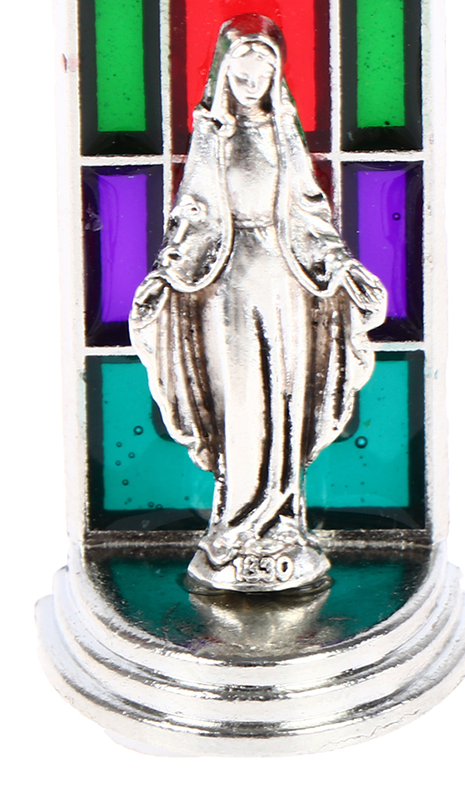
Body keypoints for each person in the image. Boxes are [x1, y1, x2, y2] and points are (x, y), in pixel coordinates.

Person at [130, 14, 387, 590]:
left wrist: (338, 262)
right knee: (243, 399)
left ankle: (283, 522)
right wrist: (170, 269)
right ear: (223, 72)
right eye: (240, 71)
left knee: (286, 397)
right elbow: (193, 211)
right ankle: (235, 522)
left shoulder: (284, 135)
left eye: (262, 72)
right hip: (227, 284)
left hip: (286, 282)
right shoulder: (212, 135)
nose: (250, 83)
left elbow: (308, 211)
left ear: (276, 76)